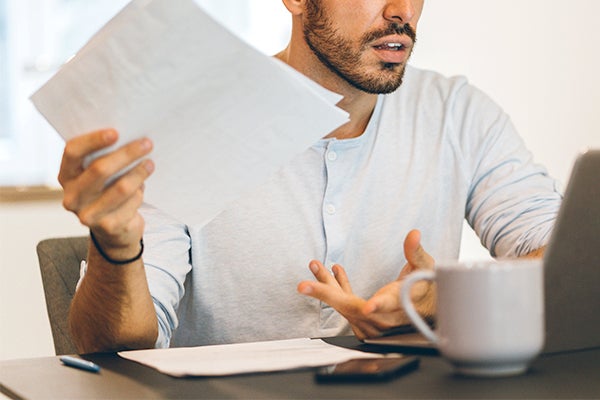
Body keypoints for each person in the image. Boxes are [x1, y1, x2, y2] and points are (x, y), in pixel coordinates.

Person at [59, 0, 561, 353]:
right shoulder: (182, 129)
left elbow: (567, 257)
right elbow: (119, 344)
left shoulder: (459, 113)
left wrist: (447, 300)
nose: (402, 11)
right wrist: (116, 245)